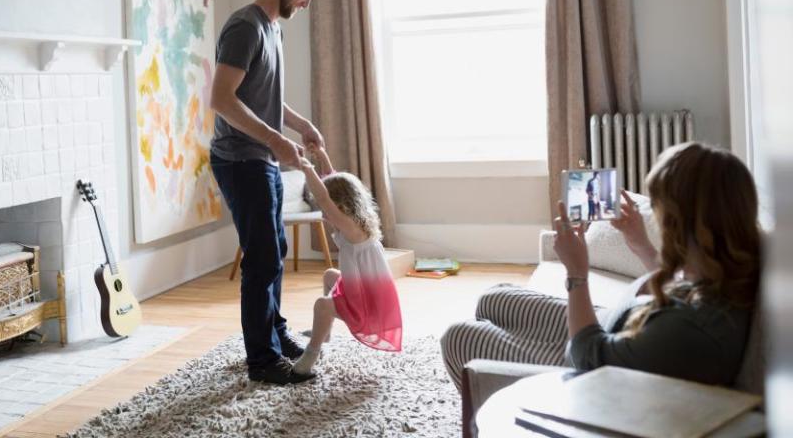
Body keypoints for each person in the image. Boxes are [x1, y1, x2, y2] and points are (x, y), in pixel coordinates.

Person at [441, 142, 761, 389]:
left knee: (460, 337)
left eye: (662, 211)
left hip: (582, 360)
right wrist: (641, 245)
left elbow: (586, 357)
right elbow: (675, 288)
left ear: (682, 224)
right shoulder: (722, 273)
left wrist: (576, 273)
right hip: (612, 325)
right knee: (495, 296)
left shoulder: (691, 330)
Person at [209, 0, 333, 385]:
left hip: (260, 156)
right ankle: (262, 360)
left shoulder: (272, 29)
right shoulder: (245, 26)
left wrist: (300, 126)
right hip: (240, 160)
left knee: (274, 251)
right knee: (262, 258)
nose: (306, 2)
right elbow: (222, 99)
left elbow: (263, 94)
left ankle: (275, 336)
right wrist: (277, 139)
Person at [292, 147, 403, 375]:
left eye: (326, 208)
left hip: (366, 305)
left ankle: (310, 357)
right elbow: (331, 184)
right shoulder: (355, 220)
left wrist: (306, 165)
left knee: (322, 305)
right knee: (330, 275)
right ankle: (326, 332)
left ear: (339, 207)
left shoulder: (350, 227)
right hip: (361, 288)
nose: (323, 211)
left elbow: (323, 195)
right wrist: (322, 155)